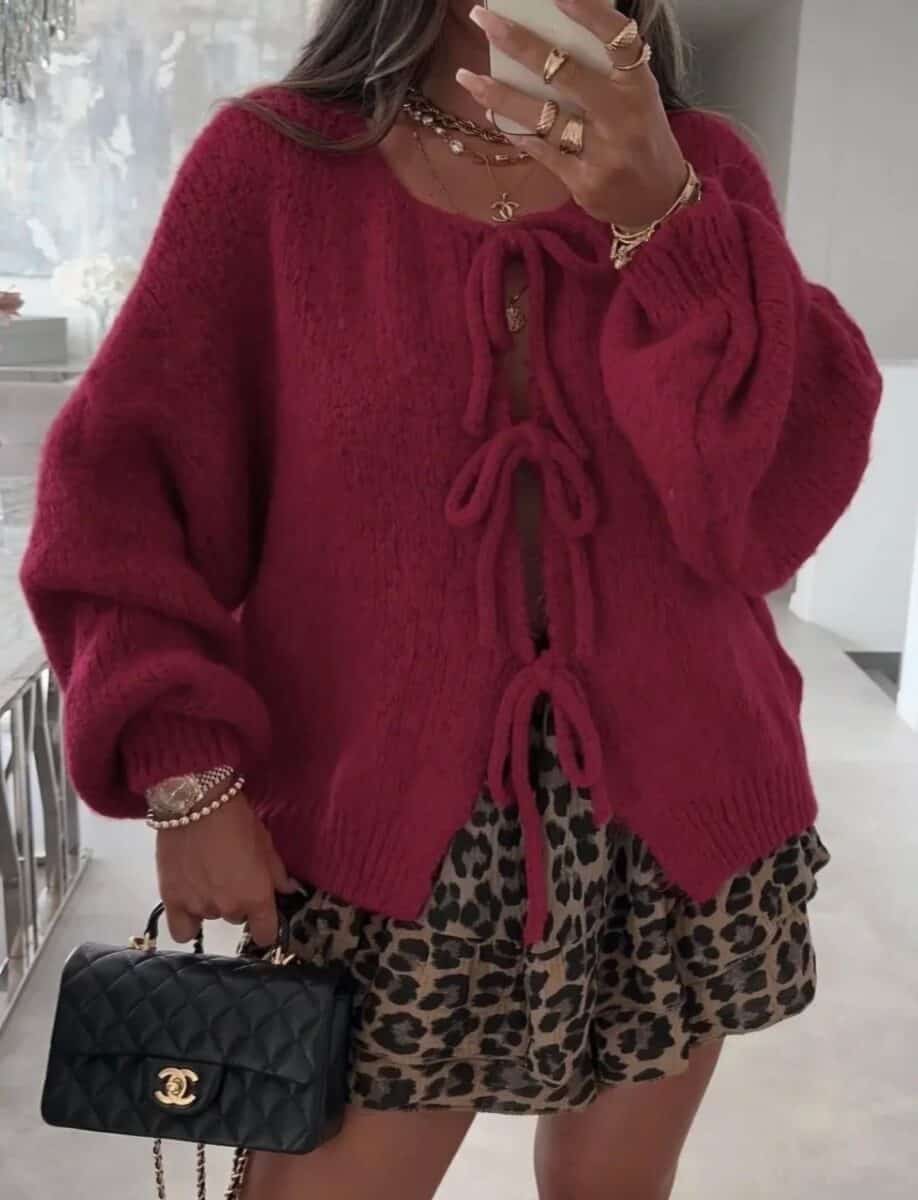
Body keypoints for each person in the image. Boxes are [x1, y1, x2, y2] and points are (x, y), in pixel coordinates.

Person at [21, 1, 882, 1198]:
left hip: (674, 833)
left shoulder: (702, 165)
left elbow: (762, 518)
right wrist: (185, 773)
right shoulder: (272, 171)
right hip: (385, 841)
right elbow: (119, 490)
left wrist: (666, 217)